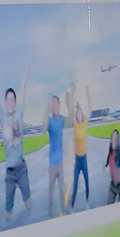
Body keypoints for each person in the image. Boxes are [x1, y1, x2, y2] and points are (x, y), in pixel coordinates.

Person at [0, 67, 31, 222]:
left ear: (15, 103)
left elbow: (23, 91)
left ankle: (26, 197)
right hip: (9, 173)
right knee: (7, 213)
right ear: (5, 102)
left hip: (21, 168)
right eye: (7, 100)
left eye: (12, 100)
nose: (10, 102)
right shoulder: (2, 118)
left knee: (29, 204)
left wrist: (24, 76)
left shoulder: (19, 114)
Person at [43, 89, 69, 217]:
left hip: (60, 162)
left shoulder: (62, 119)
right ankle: (50, 213)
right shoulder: (49, 120)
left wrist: (70, 103)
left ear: (59, 105)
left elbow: (72, 122)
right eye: (51, 104)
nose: (54, 106)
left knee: (61, 189)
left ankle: (63, 210)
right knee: (51, 191)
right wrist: (47, 108)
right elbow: (43, 128)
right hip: (52, 165)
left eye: (55, 104)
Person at [69, 85, 93, 210]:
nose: (78, 115)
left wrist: (88, 94)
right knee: (75, 184)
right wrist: (72, 94)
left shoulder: (84, 124)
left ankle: (87, 202)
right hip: (77, 160)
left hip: (84, 159)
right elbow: (72, 108)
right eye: (77, 114)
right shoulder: (76, 126)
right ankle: (72, 207)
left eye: (80, 113)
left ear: (82, 115)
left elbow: (90, 108)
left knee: (87, 183)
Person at [105, 127, 120, 204]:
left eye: (116, 138)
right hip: (113, 185)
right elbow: (107, 166)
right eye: (112, 138)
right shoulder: (110, 154)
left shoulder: (119, 154)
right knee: (108, 205)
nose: (114, 140)